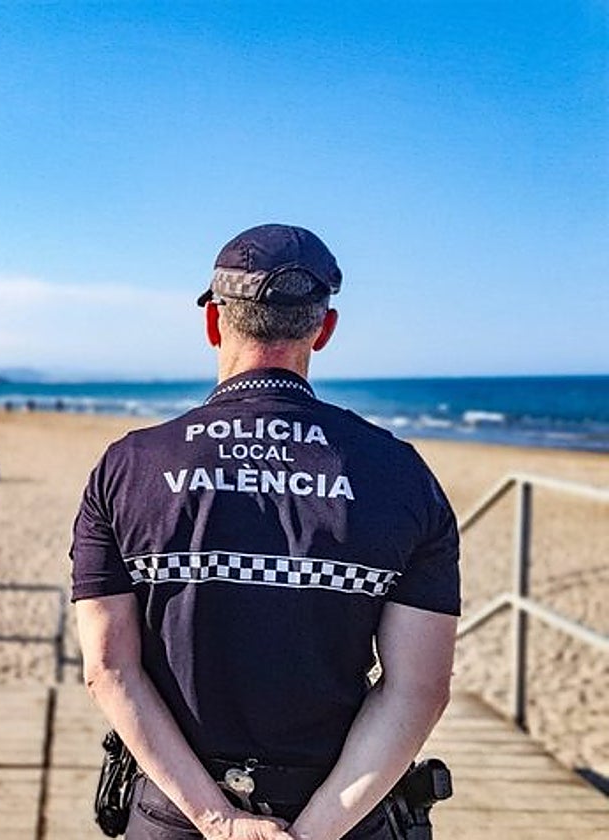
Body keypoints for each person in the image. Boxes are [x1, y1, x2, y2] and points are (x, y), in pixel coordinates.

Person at [70, 224, 460, 840]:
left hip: (176, 812)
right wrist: (315, 831)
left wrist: (217, 819)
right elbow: (418, 689)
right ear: (324, 330)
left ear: (213, 322)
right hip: (345, 814)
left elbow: (110, 670)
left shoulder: (128, 467)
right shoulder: (400, 475)